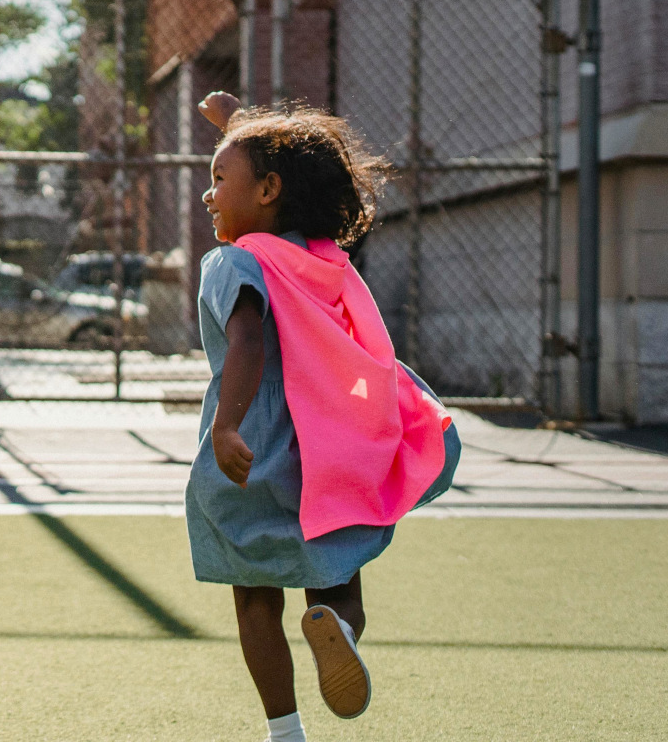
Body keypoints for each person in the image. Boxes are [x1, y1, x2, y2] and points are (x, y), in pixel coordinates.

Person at [188, 92, 462, 742]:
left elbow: (248, 341)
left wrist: (227, 425)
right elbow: (278, 170)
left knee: (254, 595)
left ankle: (285, 730)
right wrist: (241, 127)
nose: (208, 195)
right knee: (335, 572)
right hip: (329, 452)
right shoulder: (321, 259)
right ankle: (338, 629)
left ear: (268, 191)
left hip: (252, 444)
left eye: (218, 179)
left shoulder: (234, 261)